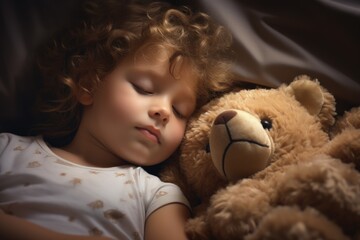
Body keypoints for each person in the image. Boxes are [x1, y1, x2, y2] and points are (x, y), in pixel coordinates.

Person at [0, 0, 234, 239]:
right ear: (89, 84)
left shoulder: (159, 195)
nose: (163, 111)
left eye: (179, 111)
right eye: (144, 88)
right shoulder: (8, 149)